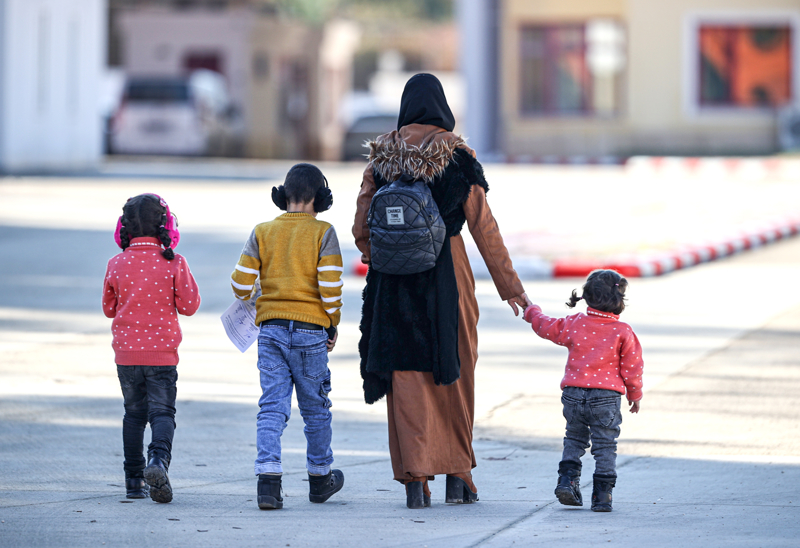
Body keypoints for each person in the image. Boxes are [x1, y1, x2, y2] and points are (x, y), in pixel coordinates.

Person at [353, 73, 531, 509]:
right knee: (455, 369)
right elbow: (484, 227)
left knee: (406, 376)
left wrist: (386, 256)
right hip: (448, 274)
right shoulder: (457, 156)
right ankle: (458, 476)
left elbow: (361, 228)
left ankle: (415, 481)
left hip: (392, 285)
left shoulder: (381, 159)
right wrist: (510, 286)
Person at [230, 163, 344, 510]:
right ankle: (320, 479)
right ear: (319, 199)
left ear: (284, 196)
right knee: (316, 409)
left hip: (271, 331)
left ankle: (268, 482)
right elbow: (330, 290)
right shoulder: (324, 232)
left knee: (272, 406)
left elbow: (240, 285)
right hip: (311, 333)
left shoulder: (262, 231)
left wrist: (261, 291)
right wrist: (332, 324)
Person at [102, 193, 201, 503]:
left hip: (127, 356)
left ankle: (133, 481)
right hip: (162, 356)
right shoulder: (175, 262)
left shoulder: (116, 263)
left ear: (123, 229)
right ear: (167, 227)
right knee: (162, 413)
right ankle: (157, 461)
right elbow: (190, 306)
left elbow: (108, 308)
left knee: (133, 415)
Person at [522, 269, 644, 512]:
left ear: (586, 296)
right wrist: (635, 394)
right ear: (619, 300)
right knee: (605, 445)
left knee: (574, 438)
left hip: (573, 395)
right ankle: (602, 497)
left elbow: (546, 326)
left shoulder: (575, 323)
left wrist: (531, 311)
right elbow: (632, 367)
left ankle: (567, 481)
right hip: (606, 398)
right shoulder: (623, 331)